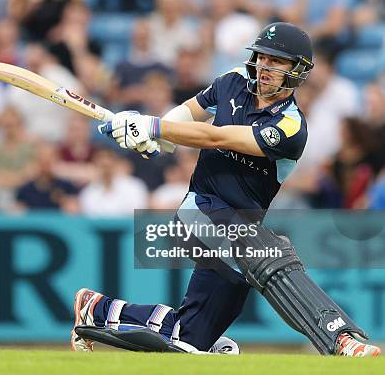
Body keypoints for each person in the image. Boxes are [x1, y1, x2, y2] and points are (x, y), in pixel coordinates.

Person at [71, 22, 381, 357]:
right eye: (262, 57)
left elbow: (216, 136)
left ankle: (97, 309)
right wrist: (155, 137)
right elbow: (191, 111)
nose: (265, 66)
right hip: (198, 211)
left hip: (240, 229)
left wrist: (154, 126)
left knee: (190, 340)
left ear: (298, 71)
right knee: (269, 253)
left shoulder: (291, 127)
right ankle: (340, 340)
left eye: (277, 62)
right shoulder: (233, 79)